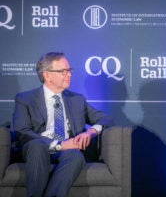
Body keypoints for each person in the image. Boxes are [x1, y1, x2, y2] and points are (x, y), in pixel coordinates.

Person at [13, 52, 114, 197]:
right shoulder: (25, 99)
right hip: (39, 148)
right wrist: (59, 144)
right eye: (63, 71)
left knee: (75, 155)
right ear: (47, 75)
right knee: (36, 146)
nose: (69, 75)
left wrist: (90, 132)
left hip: (68, 151)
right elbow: (22, 131)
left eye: (69, 71)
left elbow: (106, 119)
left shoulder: (76, 99)